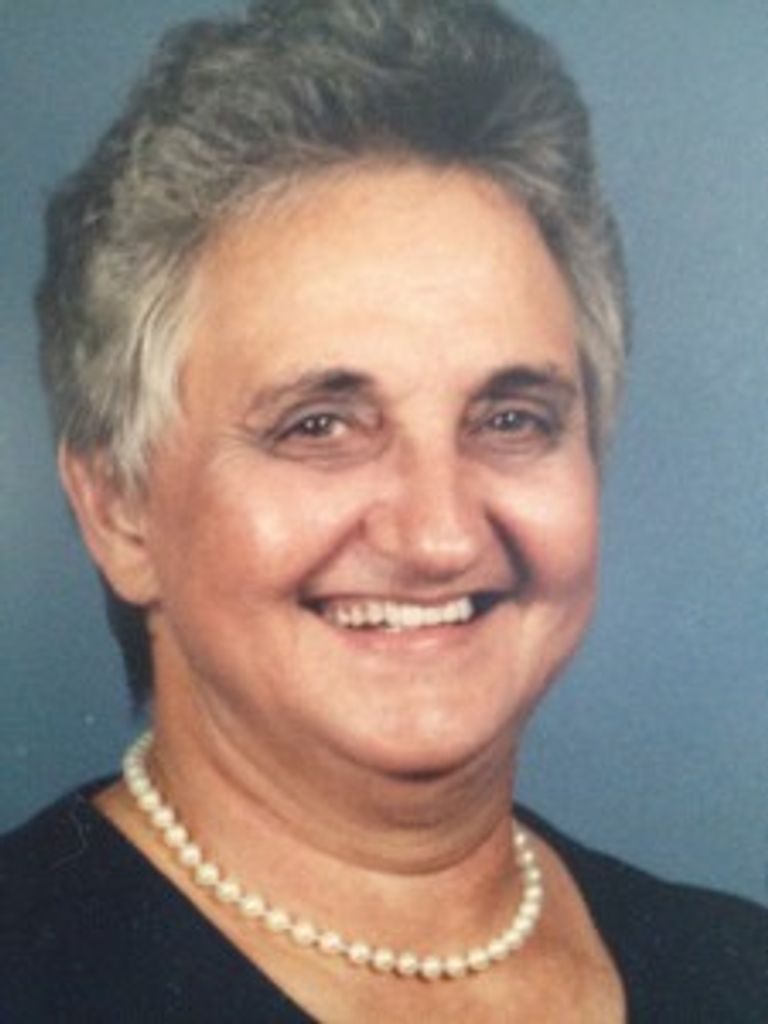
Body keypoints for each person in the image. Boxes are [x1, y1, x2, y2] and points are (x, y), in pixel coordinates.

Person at [1, 1, 766, 1020]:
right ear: (117, 508)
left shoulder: (737, 967)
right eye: (319, 425)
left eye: (510, 418)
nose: (438, 535)